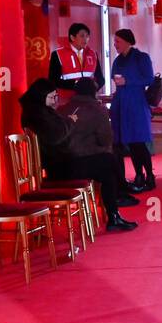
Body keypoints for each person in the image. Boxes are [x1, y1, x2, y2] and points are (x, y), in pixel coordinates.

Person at [19, 78, 137, 231]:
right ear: (41, 96)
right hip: (58, 168)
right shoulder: (39, 115)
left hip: (59, 163)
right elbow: (56, 136)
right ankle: (115, 210)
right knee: (108, 161)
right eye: (52, 97)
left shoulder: (42, 111)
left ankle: (116, 207)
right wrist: (70, 121)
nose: (55, 101)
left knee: (107, 162)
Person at [109, 28, 156, 192]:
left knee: (138, 142)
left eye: (118, 42)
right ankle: (138, 175)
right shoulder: (117, 60)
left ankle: (149, 175)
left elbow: (149, 78)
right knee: (129, 142)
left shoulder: (141, 57)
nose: (115, 45)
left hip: (136, 103)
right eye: (115, 42)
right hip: (121, 103)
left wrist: (127, 81)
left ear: (128, 41)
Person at [49, 22, 105, 100]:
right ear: (72, 37)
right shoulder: (58, 54)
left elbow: (101, 79)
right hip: (67, 101)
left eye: (87, 36)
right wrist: (76, 85)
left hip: (89, 101)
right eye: (82, 36)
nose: (85, 39)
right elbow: (53, 81)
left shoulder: (93, 54)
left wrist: (92, 88)